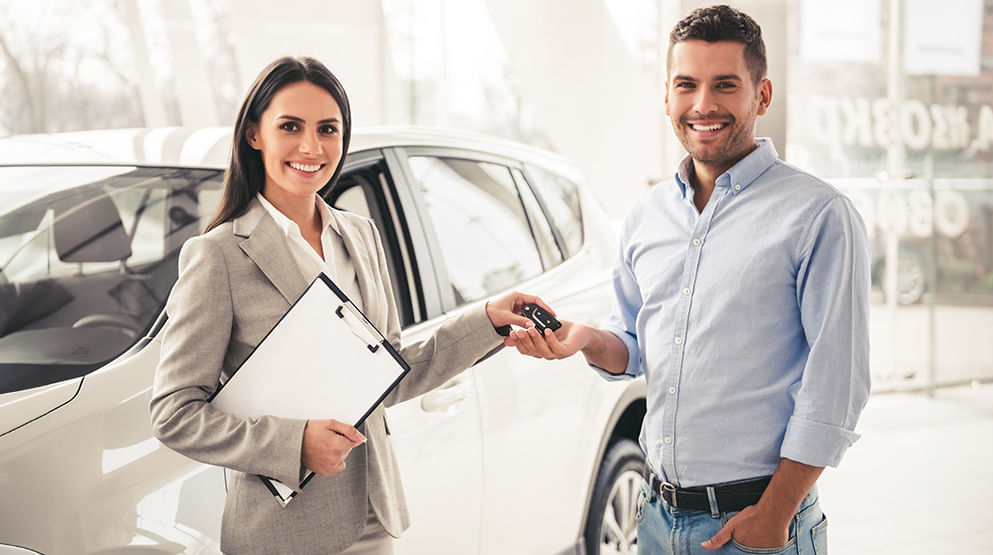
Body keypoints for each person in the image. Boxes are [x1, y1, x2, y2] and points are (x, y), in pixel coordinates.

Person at [505, 5, 870, 554]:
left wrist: (774, 514)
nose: (703, 105)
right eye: (686, 85)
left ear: (762, 96)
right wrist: (583, 339)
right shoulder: (646, 216)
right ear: (667, 97)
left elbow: (837, 386)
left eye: (725, 85)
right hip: (655, 520)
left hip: (756, 524)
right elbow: (633, 345)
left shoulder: (818, 215)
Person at [149, 56, 547, 555]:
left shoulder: (359, 235)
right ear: (254, 135)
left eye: (327, 129)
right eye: (290, 127)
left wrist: (485, 320)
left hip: (372, 518)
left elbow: (388, 373)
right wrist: (293, 444)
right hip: (282, 534)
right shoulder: (219, 256)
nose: (311, 147)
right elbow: (173, 413)